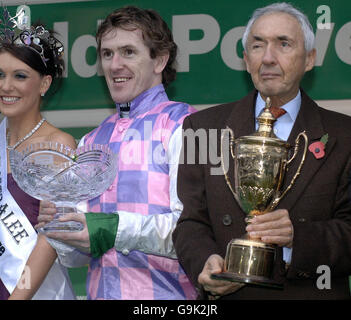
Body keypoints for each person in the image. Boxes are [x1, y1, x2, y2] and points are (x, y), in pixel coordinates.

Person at [173, 2, 351, 300]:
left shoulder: (345, 135)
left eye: (283, 44)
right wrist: (205, 263)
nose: (268, 58)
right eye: (258, 45)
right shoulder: (202, 127)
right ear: (245, 59)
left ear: (309, 59)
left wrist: (298, 239)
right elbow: (190, 222)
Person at [36, 6, 197, 300]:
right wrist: (61, 225)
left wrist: (108, 228)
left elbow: (192, 233)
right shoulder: (91, 140)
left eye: (128, 52)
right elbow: (77, 258)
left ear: (160, 60)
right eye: (107, 54)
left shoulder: (185, 125)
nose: (114, 64)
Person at [0, 6, 76, 299]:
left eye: (20, 76)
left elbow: (52, 239)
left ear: (44, 83)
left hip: (35, 292)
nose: (6, 86)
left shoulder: (59, 145)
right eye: (0, 74)